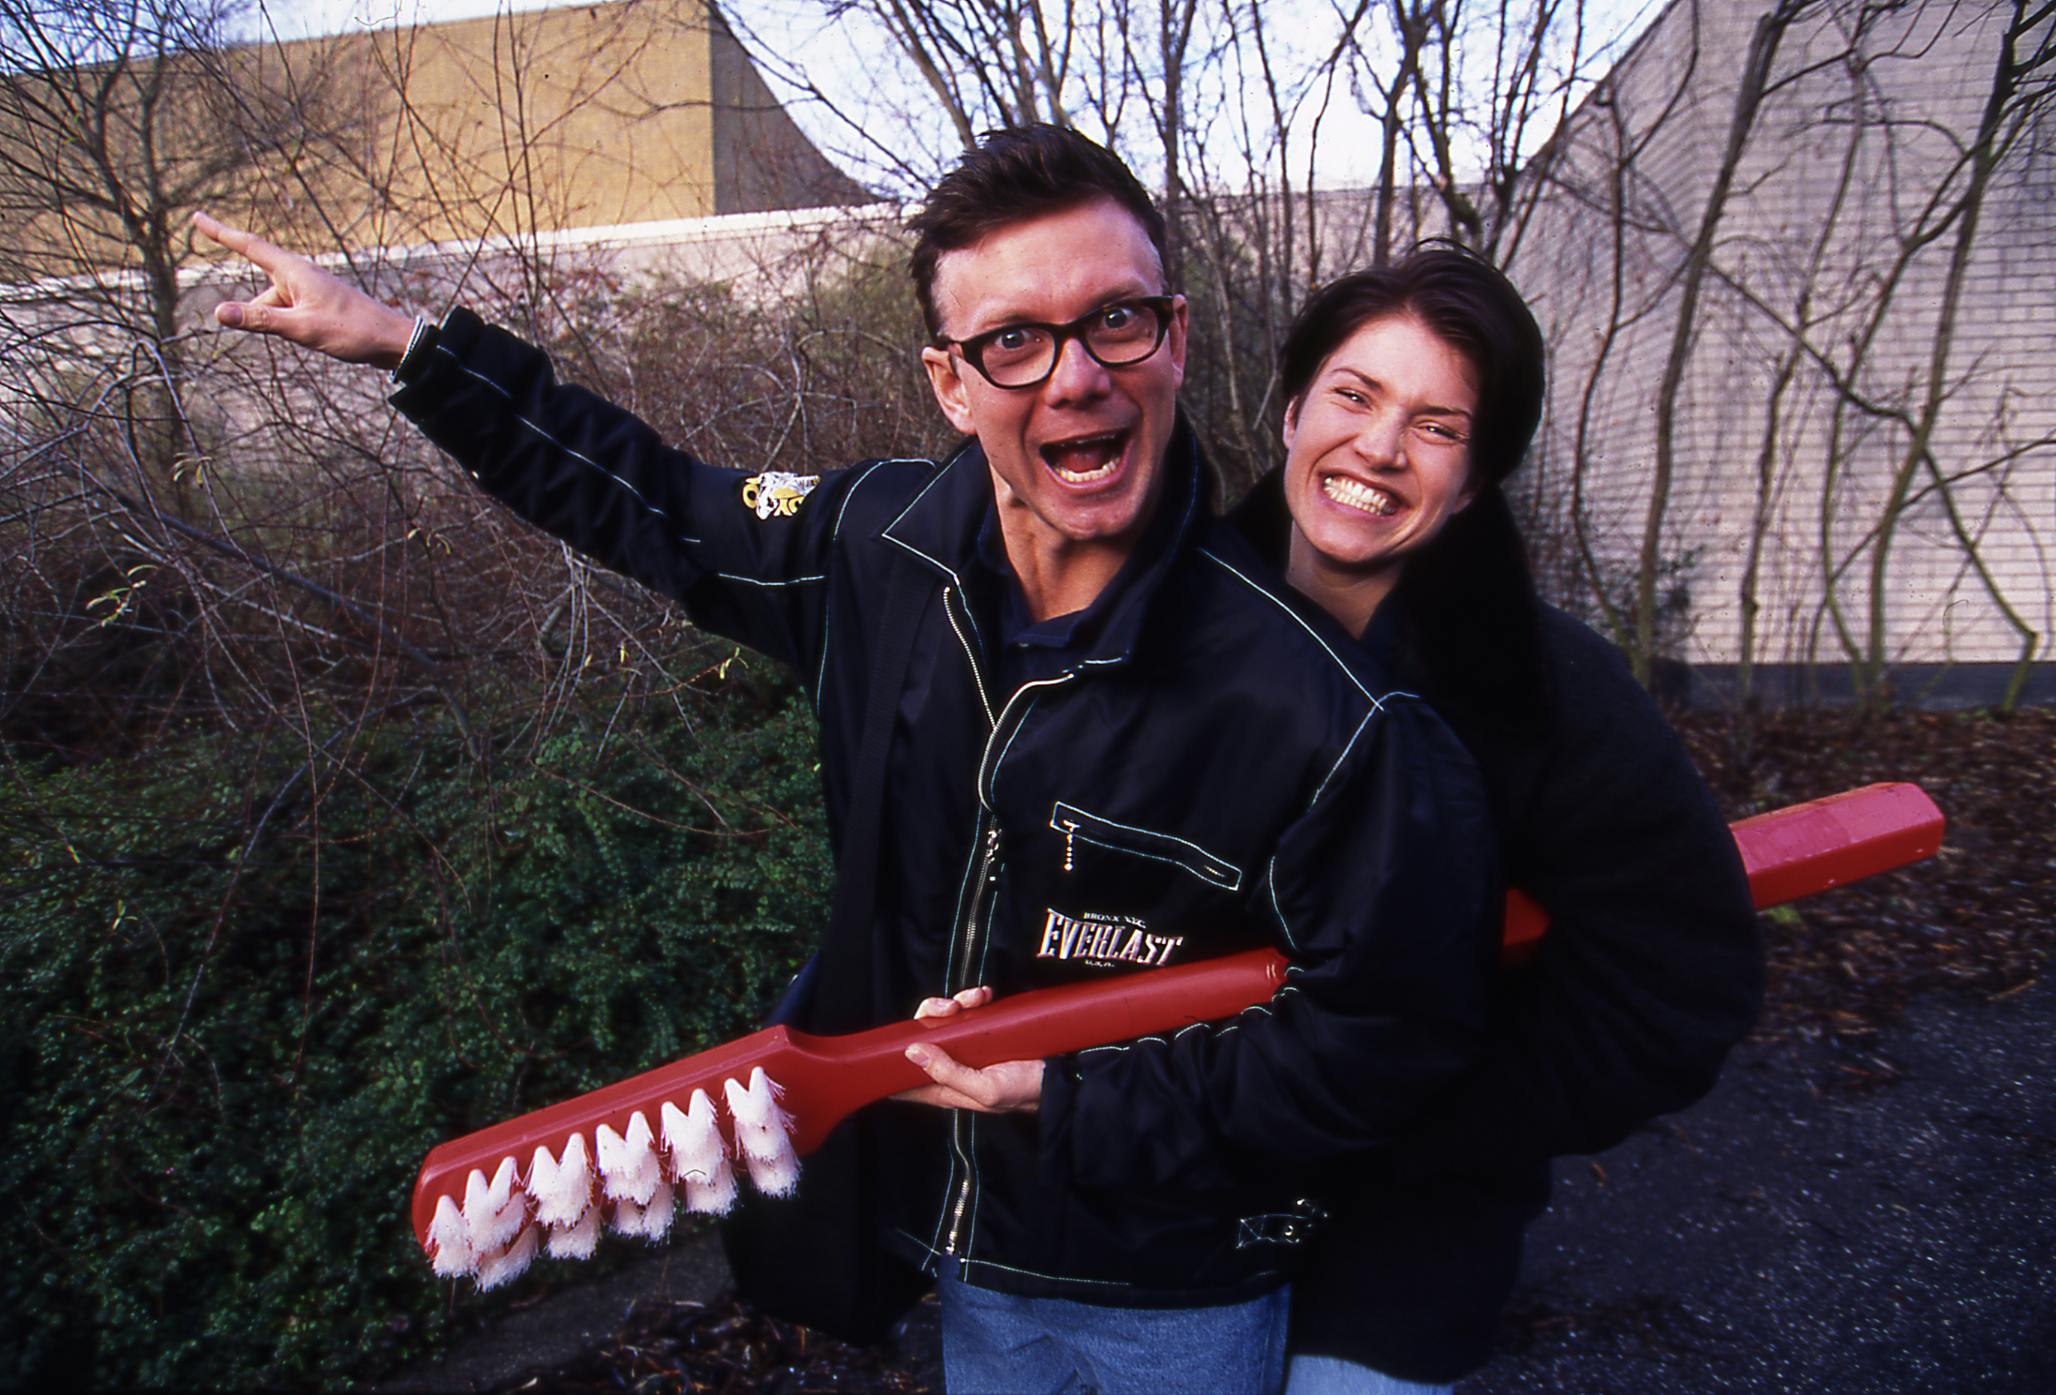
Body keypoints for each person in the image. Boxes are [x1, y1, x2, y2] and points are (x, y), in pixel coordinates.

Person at [196, 127, 1501, 1395]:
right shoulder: (874, 549)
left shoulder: (1327, 715)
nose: (1075, 377)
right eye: (1012, 340)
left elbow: (1387, 1038)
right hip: (971, 1260)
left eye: (1117, 319)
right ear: (950, 381)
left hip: (1183, 1284)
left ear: (1174, 336)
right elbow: (645, 494)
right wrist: (407, 348)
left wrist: (1076, 1095)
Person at [1227, 247, 1762, 1393]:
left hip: (1398, 1235)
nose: (1376, 448)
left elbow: (1682, 979)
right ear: (1290, 412)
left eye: (1435, 425)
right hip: (1155, 1203)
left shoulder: (1541, 690)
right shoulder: (1149, 627)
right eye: (1354, 395)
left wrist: (1434, 1119)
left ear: (1472, 480)